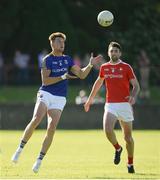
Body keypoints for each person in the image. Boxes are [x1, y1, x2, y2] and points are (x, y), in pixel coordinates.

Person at [11, 32, 102, 173]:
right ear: (52, 44)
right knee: (36, 119)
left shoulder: (67, 59)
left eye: (63, 42)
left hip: (60, 97)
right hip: (46, 93)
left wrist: (89, 65)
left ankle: (39, 161)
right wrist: (63, 76)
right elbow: (45, 81)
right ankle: (19, 149)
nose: (62, 44)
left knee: (51, 128)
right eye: (59, 41)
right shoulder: (47, 59)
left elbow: (82, 75)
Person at [84, 42, 140, 173]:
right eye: (111, 51)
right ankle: (117, 148)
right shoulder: (104, 67)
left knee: (128, 138)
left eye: (116, 51)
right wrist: (89, 100)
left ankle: (130, 163)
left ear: (120, 53)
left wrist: (133, 96)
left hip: (125, 105)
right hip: (111, 104)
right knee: (108, 129)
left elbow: (136, 86)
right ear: (108, 53)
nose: (113, 53)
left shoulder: (126, 67)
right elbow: (98, 83)